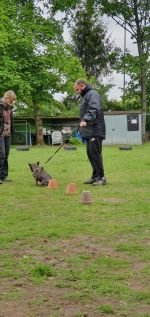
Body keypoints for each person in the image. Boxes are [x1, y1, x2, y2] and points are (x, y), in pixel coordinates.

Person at [74, 79, 106, 185]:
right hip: (90, 131)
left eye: (77, 89)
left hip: (96, 130)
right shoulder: (86, 95)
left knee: (95, 154)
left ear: (82, 85)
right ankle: (95, 176)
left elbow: (94, 108)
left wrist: (85, 119)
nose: (76, 91)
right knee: (90, 153)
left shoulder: (92, 94)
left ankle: (101, 178)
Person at [0, 90, 17, 184]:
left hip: (8, 133)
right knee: (1, 154)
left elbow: (10, 120)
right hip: (0, 133)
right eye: (11, 100)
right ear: (6, 98)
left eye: (13, 101)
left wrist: (11, 130)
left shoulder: (10, 108)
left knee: (6, 155)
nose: (12, 102)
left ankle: (3, 176)